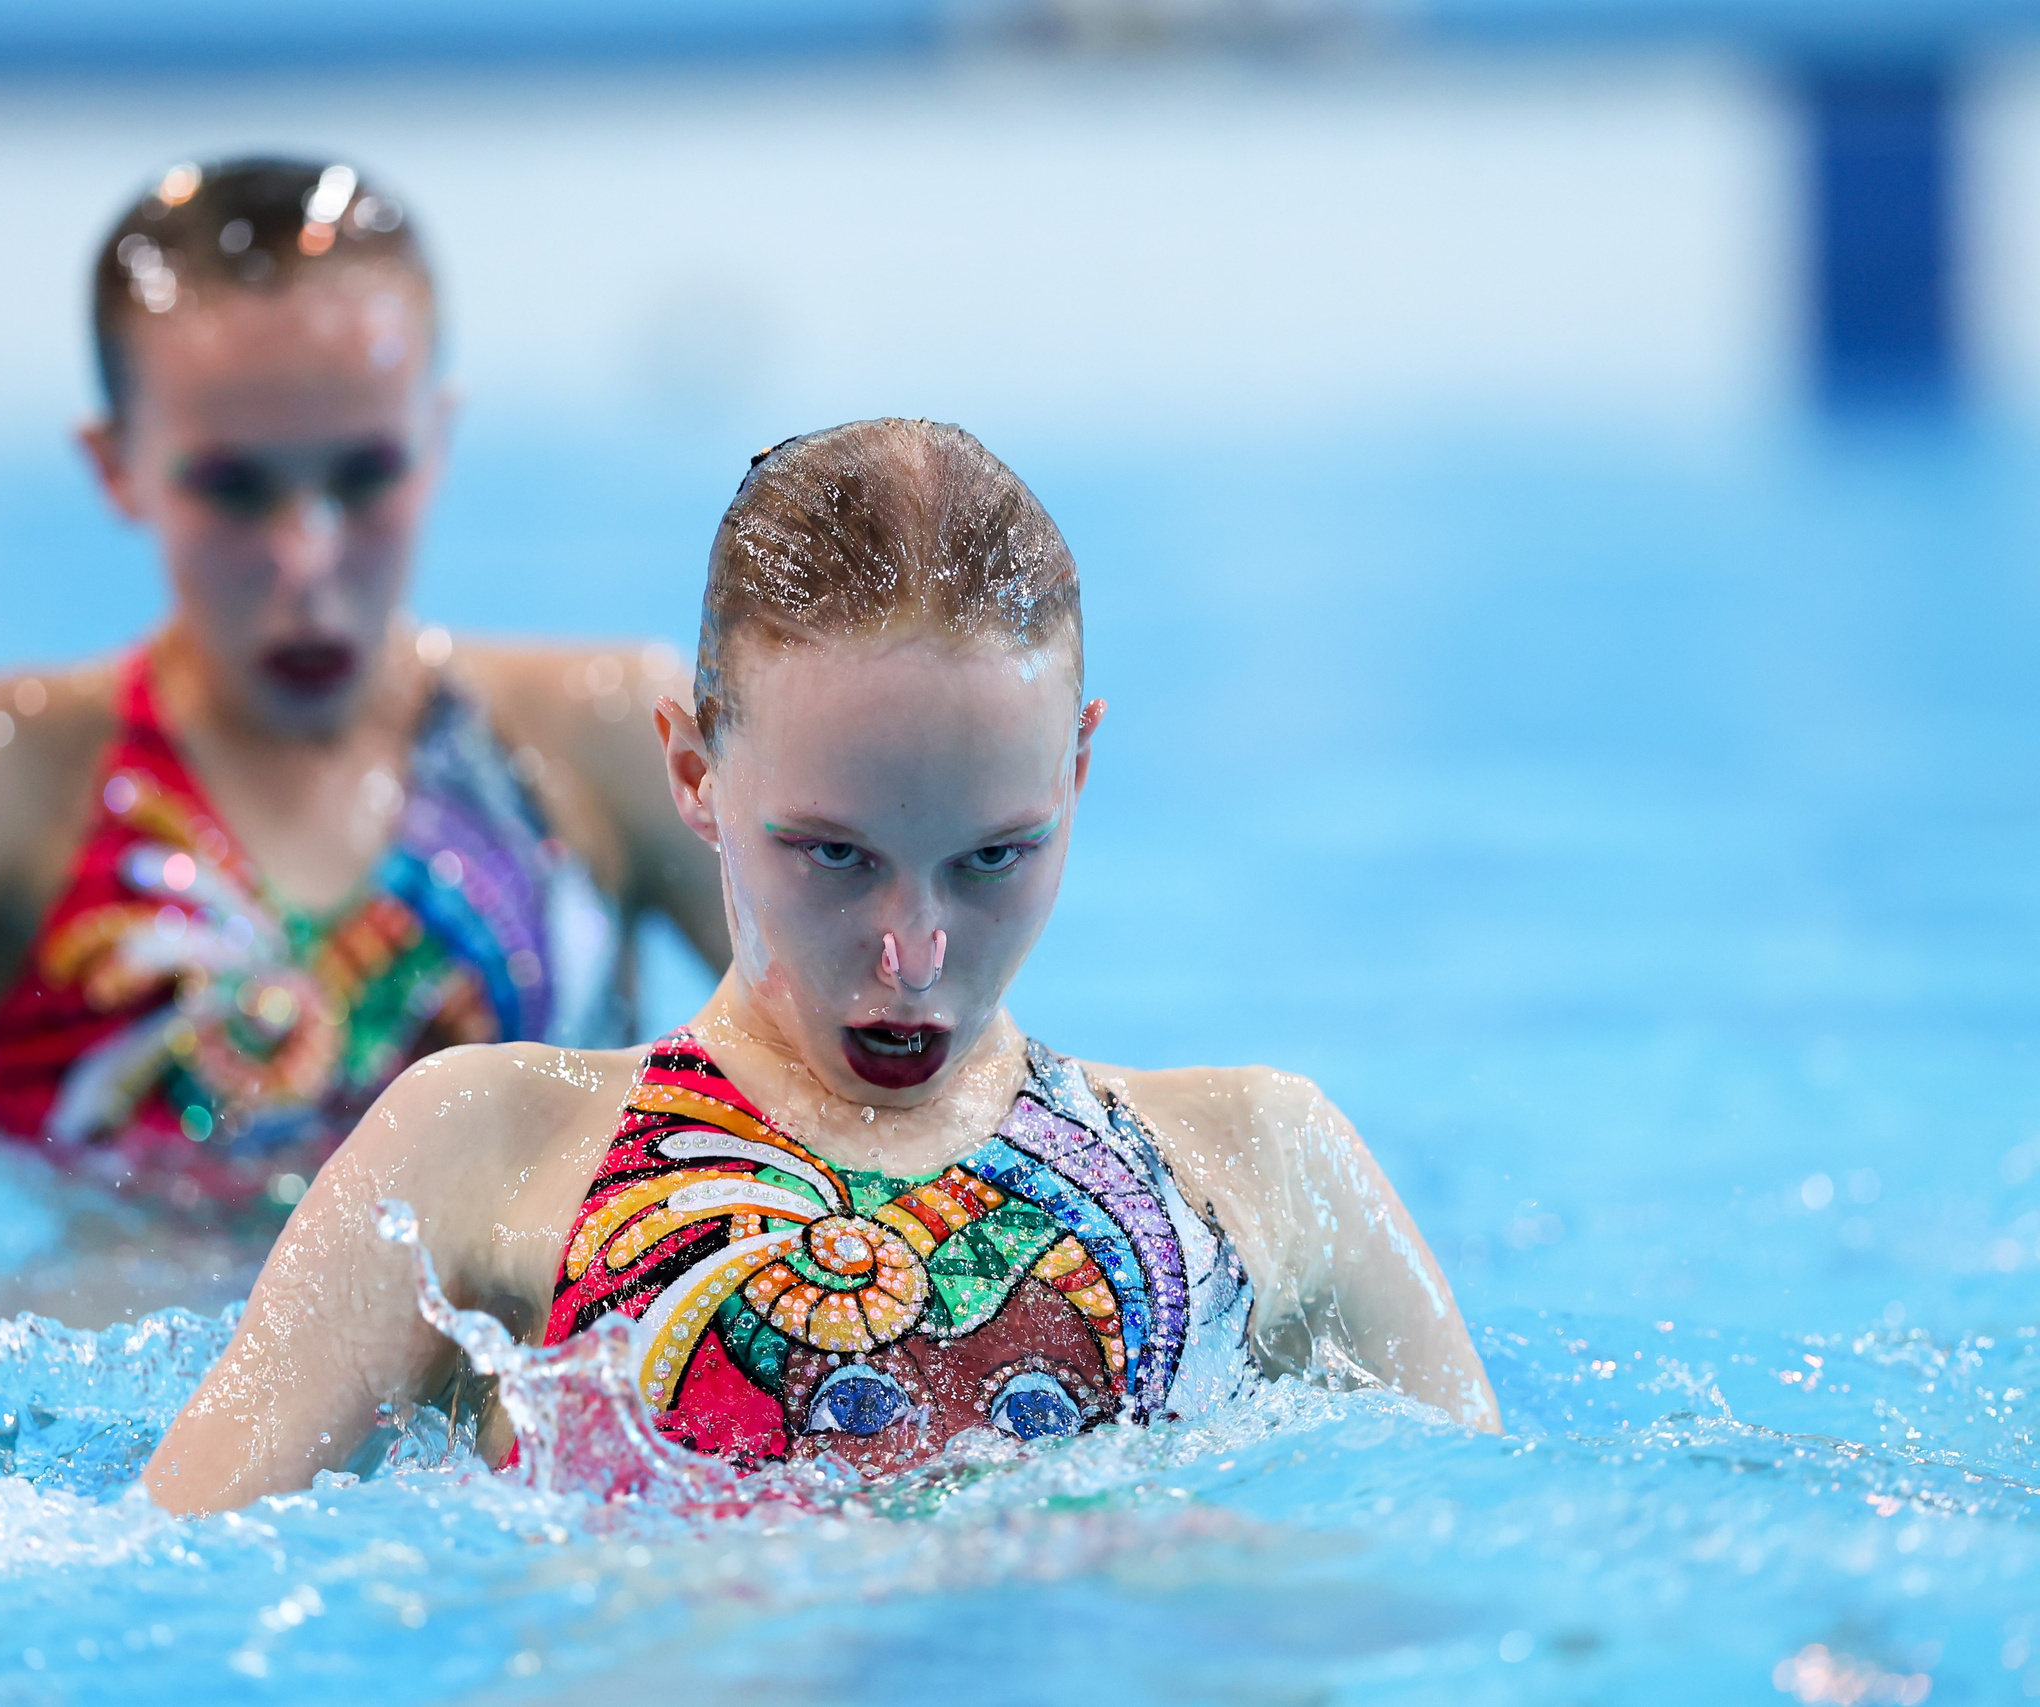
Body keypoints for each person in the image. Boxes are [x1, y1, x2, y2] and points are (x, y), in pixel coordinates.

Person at [141, 418, 1499, 1513]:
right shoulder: (476, 1147)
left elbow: (1519, 1596)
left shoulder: (1266, 1165)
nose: (915, 948)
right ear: (692, 768)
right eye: (835, 856)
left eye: (993, 855)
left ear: (1078, 766)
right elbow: (158, 1575)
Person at [0, 157, 727, 1224]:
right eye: (233, 488)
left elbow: (873, 1097)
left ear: (437, 443)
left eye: (366, 477)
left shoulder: (606, 740)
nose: (306, 561)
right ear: (115, 466)